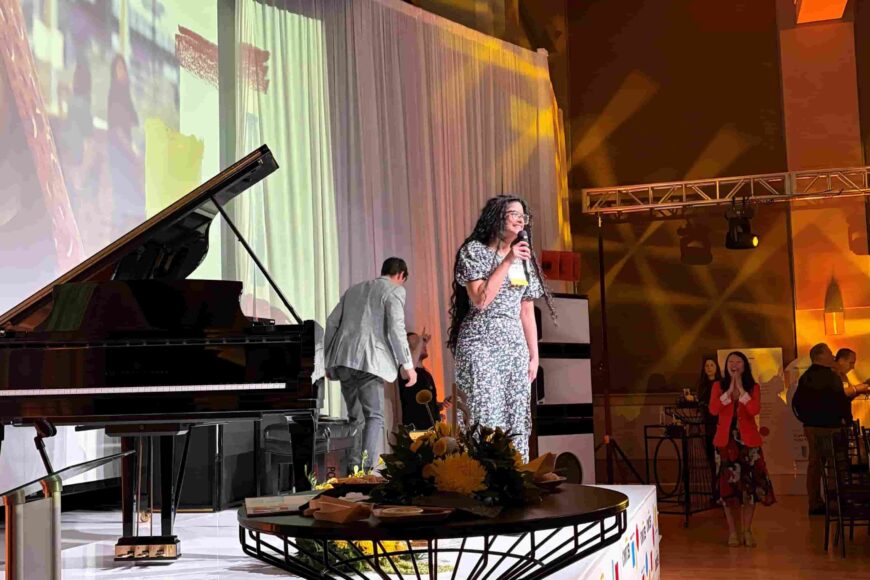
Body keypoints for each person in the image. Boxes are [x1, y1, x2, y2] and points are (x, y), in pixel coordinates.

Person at [447, 195, 556, 462]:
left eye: (523, 215)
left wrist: (534, 355)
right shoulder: (474, 251)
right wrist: (506, 261)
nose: (520, 219)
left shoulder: (524, 259)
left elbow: (526, 310)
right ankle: (478, 479)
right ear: (497, 217)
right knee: (484, 413)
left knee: (515, 416)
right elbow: (481, 300)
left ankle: (515, 481)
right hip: (481, 342)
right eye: (513, 214)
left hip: (514, 344)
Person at [324, 258, 416, 472]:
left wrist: (330, 360)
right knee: (374, 416)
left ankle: (353, 469)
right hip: (370, 361)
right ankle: (366, 472)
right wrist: (407, 364)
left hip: (344, 359)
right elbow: (396, 328)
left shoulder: (354, 290)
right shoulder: (394, 290)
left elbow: (331, 322)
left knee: (355, 417)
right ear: (401, 275)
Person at [708, 351, 775, 548]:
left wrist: (742, 392)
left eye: (738, 361)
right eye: (731, 361)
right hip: (725, 443)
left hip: (748, 443)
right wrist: (728, 392)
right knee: (728, 491)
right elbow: (713, 410)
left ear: (745, 366)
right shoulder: (717, 386)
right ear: (726, 366)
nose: (734, 364)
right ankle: (732, 532)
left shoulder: (752, 387)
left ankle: (747, 530)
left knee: (750, 489)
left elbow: (754, 410)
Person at [792, 343, 853, 515]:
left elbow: (796, 404)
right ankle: (835, 503)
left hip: (811, 427)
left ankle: (814, 502)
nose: (833, 356)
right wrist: (846, 422)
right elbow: (840, 401)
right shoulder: (832, 377)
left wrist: (806, 420)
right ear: (821, 356)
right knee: (834, 465)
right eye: (830, 353)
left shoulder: (805, 378)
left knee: (814, 465)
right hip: (832, 427)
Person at [107, 54, 142, 238]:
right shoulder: (115, 95)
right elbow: (117, 130)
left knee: (126, 199)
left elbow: (132, 125)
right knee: (124, 197)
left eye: (124, 68)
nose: (122, 73)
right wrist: (133, 152)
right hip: (119, 153)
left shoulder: (125, 95)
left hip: (125, 152)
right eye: (118, 69)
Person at [397, 330, 452, 430]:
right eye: (417, 342)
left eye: (421, 342)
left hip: (432, 432)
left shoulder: (426, 374)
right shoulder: (404, 369)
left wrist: (442, 404)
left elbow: (431, 405)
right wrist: (421, 343)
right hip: (416, 433)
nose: (422, 344)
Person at [696, 356, 723, 500]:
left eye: (712, 365)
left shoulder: (721, 384)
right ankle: (714, 491)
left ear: (716, 367)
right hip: (707, 426)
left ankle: (722, 491)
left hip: (719, 425)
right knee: (711, 461)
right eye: (706, 365)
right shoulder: (702, 385)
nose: (709, 368)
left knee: (721, 460)